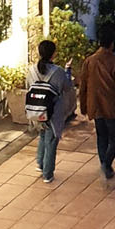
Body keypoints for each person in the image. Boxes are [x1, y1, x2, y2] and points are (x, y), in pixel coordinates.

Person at [79, 23, 115, 181]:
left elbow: (83, 86)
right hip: (112, 107)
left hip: (96, 105)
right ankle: (106, 164)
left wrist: (83, 106)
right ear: (112, 43)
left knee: (102, 137)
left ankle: (104, 165)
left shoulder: (89, 61)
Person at [25, 38, 74, 182]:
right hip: (53, 112)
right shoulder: (58, 72)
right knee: (51, 140)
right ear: (53, 54)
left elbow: (29, 85)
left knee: (42, 134)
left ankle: (40, 163)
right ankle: (48, 174)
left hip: (35, 110)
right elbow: (67, 87)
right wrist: (68, 70)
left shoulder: (32, 70)